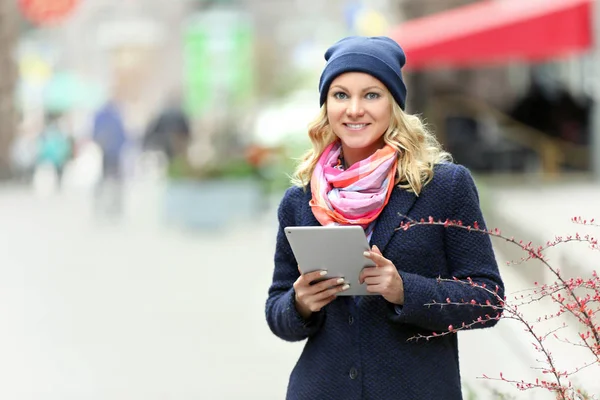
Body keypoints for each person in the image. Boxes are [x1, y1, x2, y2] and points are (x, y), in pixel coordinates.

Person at [265, 36, 505, 399]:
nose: (354, 109)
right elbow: (277, 311)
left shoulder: (443, 186)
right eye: (341, 95)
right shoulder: (301, 200)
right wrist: (299, 303)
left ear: (394, 105)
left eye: (372, 95)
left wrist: (404, 290)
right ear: (326, 105)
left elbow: (487, 301)